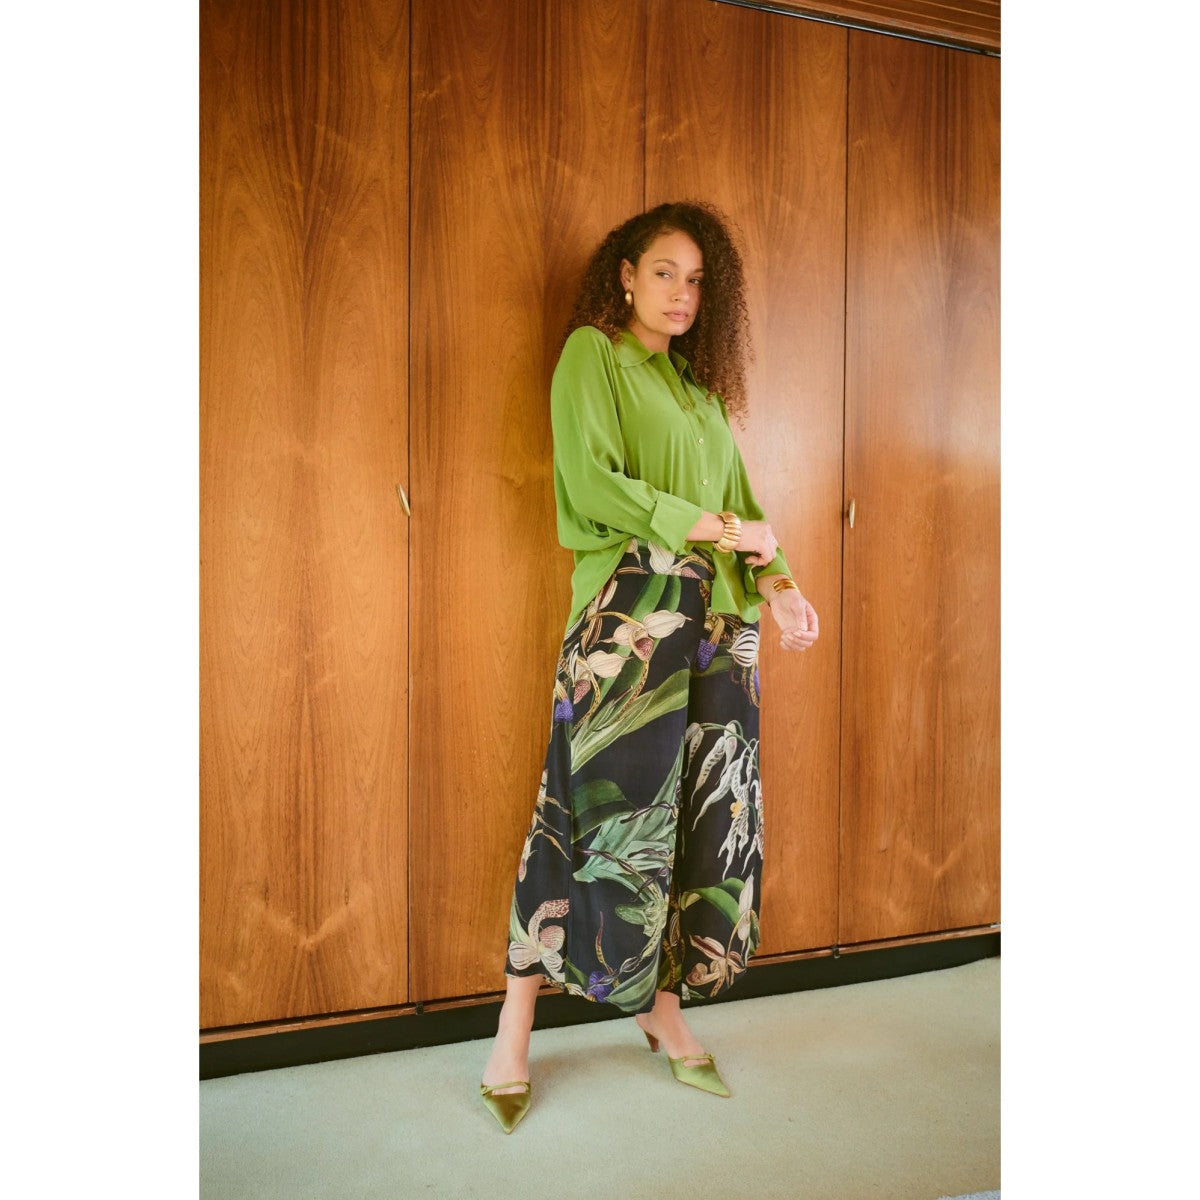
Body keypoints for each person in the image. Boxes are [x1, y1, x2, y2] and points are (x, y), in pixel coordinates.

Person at [479, 201, 819, 1133]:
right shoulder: (592, 356)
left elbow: (746, 509)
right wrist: (710, 526)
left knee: (697, 822)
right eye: (664, 272)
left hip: (715, 628)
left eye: (697, 280)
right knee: (584, 816)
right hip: (627, 618)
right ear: (625, 276)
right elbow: (592, 483)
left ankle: (660, 1011)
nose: (681, 294)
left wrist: (782, 586)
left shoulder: (698, 392)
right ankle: (512, 1028)